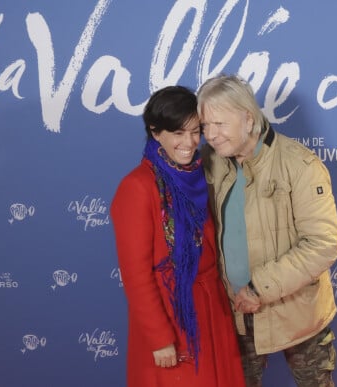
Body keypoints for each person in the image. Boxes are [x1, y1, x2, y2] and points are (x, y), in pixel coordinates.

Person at [197, 74, 337, 387]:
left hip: (299, 313)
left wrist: (259, 288)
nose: (210, 135)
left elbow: (323, 244)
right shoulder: (211, 161)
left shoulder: (300, 165)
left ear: (248, 119)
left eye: (219, 124)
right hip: (235, 312)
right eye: (205, 126)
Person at [110, 85, 246, 387]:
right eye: (178, 133)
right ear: (156, 133)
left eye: (195, 131)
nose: (190, 143)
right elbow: (136, 275)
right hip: (173, 316)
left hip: (214, 310)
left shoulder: (201, 174)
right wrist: (160, 338)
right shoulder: (137, 187)